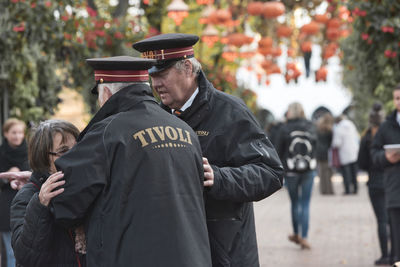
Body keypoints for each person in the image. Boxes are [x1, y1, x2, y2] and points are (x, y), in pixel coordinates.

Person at [133, 33, 284, 267]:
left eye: (162, 74)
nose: (155, 84)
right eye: (151, 77)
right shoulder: (154, 118)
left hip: (225, 254)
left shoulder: (230, 111)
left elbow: (271, 173)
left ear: (187, 68)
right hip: (175, 251)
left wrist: (218, 177)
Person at [50, 56, 212, 267]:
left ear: (106, 93)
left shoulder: (107, 132)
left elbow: (65, 201)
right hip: (191, 258)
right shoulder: (185, 131)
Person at [10, 120, 85, 267]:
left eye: (77, 148)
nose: (74, 155)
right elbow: (26, 258)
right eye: (64, 151)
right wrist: (40, 204)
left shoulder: (85, 187)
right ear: (44, 157)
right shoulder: (27, 196)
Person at [276, 102, 317, 250]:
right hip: (309, 170)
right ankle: (304, 236)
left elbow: (278, 150)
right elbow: (316, 146)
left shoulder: (284, 128)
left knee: (295, 203)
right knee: (305, 203)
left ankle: (296, 233)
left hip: (291, 171)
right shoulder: (311, 126)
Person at [358, 103, 390, 265]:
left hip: (375, 184)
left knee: (381, 220)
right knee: (393, 220)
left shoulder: (366, 138)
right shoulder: (389, 135)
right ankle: (394, 254)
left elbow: (361, 163)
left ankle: (385, 254)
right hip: (391, 181)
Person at [372, 84, 400, 264]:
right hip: (395, 189)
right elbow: (373, 154)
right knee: (397, 237)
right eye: (397, 98)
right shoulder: (386, 126)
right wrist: (386, 157)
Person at [0, 118, 29, 267]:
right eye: (13, 133)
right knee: (10, 253)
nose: (17, 136)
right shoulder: (1, 153)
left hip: (27, 207)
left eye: (20, 132)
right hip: (6, 208)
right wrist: (6, 176)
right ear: (6, 134)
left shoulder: (30, 152)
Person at [332, 114, 359, 194]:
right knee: (354, 172)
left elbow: (337, 143)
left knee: (346, 173)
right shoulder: (351, 124)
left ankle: (347, 190)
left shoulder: (338, 128)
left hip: (344, 153)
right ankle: (355, 188)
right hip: (354, 151)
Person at [315, 112, 334, 195]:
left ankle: (323, 190)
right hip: (326, 152)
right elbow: (331, 143)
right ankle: (329, 190)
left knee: (321, 173)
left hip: (319, 152)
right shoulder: (330, 130)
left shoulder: (318, 129)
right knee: (328, 172)